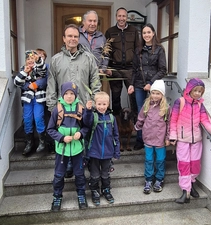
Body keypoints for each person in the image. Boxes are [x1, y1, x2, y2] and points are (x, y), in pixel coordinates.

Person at [47, 24, 102, 178]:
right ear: (64, 39)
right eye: (69, 36)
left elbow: (95, 82)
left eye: (75, 36)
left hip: (84, 107)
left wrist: (93, 101)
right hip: (63, 110)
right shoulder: (56, 60)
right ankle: (69, 165)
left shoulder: (88, 58)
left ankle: (85, 163)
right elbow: (51, 85)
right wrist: (52, 107)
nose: (73, 39)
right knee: (68, 136)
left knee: (84, 136)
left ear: (79, 38)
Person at [169, 78, 211, 204]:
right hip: (182, 140)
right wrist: (173, 136)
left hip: (196, 140)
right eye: (195, 90)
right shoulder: (179, 102)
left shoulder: (199, 105)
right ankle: (185, 191)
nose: (197, 93)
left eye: (200, 92)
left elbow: (204, 120)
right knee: (184, 165)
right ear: (189, 89)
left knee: (195, 165)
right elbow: (173, 120)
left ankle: (191, 185)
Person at [47, 82, 90, 211]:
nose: (69, 96)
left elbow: (86, 127)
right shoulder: (57, 109)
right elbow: (50, 129)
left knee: (80, 173)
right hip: (62, 149)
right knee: (59, 175)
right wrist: (61, 138)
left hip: (77, 149)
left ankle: (81, 194)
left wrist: (80, 134)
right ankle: (57, 196)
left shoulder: (80, 108)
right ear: (62, 94)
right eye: (66, 93)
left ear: (76, 95)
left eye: (72, 93)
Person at [128, 23, 167, 151]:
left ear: (153, 33)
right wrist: (131, 84)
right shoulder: (138, 50)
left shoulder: (159, 49)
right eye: (144, 33)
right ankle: (140, 139)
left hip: (154, 86)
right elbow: (134, 69)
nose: (146, 35)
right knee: (141, 111)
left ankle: (154, 138)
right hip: (139, 84)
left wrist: (151, 82)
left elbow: (162, 70)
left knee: (155, 112)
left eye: (148, 32)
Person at [105, 7, 139, 129]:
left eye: (124, 16)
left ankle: (135, 125)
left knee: (133, 97)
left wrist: (137, 68)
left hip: (130, 70)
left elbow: (137, 50)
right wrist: (107, 67)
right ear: (116, 17)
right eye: (119, 16)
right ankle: (117, 126)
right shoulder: (110, 31)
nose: (121, 18)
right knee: (115, 97)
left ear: (127, 17)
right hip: (115, 69)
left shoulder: (134, 31)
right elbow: (106, 51)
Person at [134, 80, 170, 194]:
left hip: (160, 139)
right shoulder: (146, 105)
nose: (155, 95)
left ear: (162, 95)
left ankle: (159, 179)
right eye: (153, 93)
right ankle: (148, 180)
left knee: (160, 160)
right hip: (148, 138)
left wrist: (168, 137)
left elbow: (169, 124)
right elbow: (141, 118)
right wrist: (137, 127)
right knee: (149, 160)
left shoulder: (166, 108)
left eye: (158, 93)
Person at [84, 91, 120, 205]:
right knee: (94, 174)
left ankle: (106, 189)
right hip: (94, 152)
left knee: (105, 173)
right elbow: (86, 122)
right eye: (99, 104)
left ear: (108, 104)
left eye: (104, 104)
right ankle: (95, 191)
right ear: (95, 104)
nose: (101, 107)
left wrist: (117, 151)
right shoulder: (93, 116)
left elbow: (116, 135)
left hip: (108, 152)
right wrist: (88, 111)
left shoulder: (111, 118)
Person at [14, 50, 47, 156]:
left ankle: (42, 141)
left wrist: (38, 61)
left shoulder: (39, 69)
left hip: (38, 99)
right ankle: (29, 142)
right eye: (28, 59)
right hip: (27, 100)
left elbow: (43, 71)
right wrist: (24, 72)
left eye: (32, 59)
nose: (30, 61)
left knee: (38, 118)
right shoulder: (23, 70)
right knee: (27, 120)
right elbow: (17, 82)